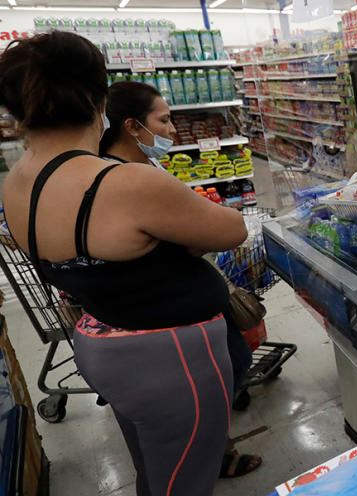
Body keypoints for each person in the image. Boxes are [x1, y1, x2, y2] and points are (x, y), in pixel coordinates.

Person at [0, 31, 248, 495]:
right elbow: (232, 228)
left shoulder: (17, 180)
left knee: (153, 468)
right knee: (186, 481)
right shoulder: (126, 183)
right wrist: (178, 240)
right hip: (170, 359)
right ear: (100, 101)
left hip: (100, 343)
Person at [99, 80, 262, 479]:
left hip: (175, 306)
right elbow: (212, 233)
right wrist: (197, 232)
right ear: (133, 126)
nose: (173, 129)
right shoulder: (127, 179)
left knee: (230, 363)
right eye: (165, 119)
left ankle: (211, 443)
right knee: (230, 364)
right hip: (167, 318)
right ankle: (207, 451)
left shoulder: (139, 165)